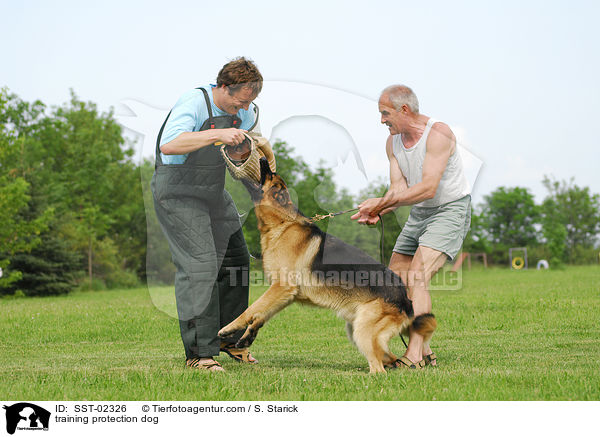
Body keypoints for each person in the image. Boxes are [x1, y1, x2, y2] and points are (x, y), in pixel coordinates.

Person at [151, 57, 262, 372]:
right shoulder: (195, 101)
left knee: (237, 260)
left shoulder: (246, 112)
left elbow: (241, 153)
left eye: (249, 103)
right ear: (223, 88)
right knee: (199, 265)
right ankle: (200, 354)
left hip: (212, 191)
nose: (242, 111)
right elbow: (169, 145)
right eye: (239, 102)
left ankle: (231, 341)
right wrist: (217, 136)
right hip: (176, 190)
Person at [351, 85, 471, 369]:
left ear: (404, 110)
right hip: (420, 212)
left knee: (418, 277)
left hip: (450, 209)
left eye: (385, 113)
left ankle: (415, 356)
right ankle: (426, 351)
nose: (382, 120)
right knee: (396, 280)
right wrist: (380, 208)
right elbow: (399, 189)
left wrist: (381, 202)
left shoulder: (438, 134)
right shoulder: (392, 143)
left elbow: (428, 188)